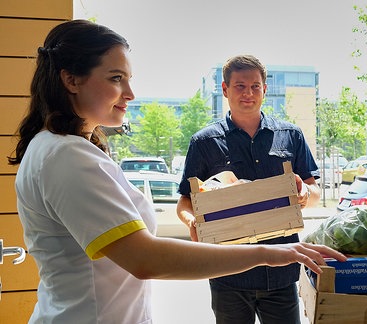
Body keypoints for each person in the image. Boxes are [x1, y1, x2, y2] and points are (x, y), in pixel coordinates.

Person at [9, 20, 346, 324]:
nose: (130, 94)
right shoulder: (67, 155)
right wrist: (270, 253)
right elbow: (146, 258)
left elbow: (312, 189)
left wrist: (294, 216)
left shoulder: (63, 148)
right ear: (71, 79)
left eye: (128, 79)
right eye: (115, 78)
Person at [176, 54, 321, 324]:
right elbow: (185, 202)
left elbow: (314, 191)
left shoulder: (291, 135)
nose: (248, 93)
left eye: (255, 86)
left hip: (281, 271)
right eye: (240, 86)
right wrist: (191, 221)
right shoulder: (204, 142)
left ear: (265, 89)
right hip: (227, 273)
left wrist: (304, 195)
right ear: (225, 89)